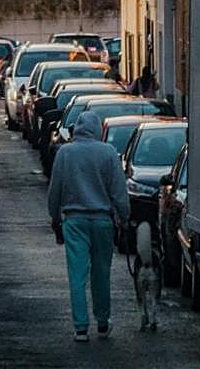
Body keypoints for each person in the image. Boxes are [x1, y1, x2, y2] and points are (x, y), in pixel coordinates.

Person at [47, 111, 130, 342]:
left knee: (77, 274)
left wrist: (55, 218)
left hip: (74, 220)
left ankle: (80, 327)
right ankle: (103, 321)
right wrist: (124, 217)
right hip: (103, 220)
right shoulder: (108, 153)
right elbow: (119, 191)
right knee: (101, 273)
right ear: (98, 130)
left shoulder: (65, 153)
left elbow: (56, 190)